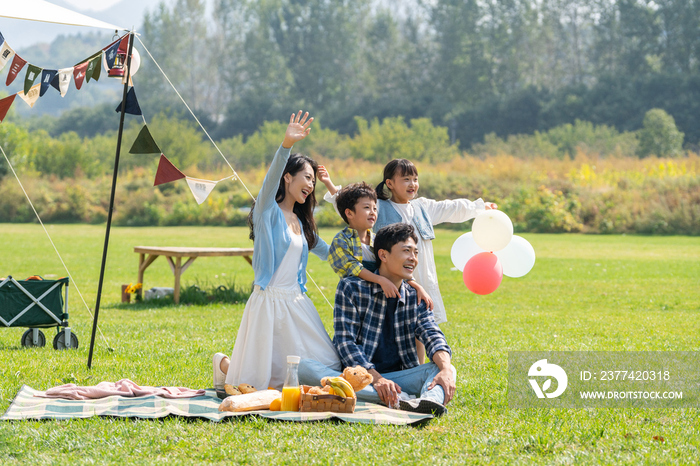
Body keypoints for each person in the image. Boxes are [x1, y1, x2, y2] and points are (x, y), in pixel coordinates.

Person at [213, 111, 341, 393]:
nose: (310, 185)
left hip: (298, 304)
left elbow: (335, 256)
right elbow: (268, 182)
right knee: (260, 384)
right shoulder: (267, 213)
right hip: (269, 304)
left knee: (329, 367)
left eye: (313, 182)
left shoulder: (303, 224)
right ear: (287, 178)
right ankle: (223, 364)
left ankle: (227, 365)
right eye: (306, 178)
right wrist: (286, 145)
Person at [299, 223, 456, 416]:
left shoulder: (416, 296)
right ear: (383, 255)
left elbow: (432, 334)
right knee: (305, 368)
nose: (413, 259)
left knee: (444, 367)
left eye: (415, 252)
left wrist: (446, 369)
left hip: (400, 377)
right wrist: (377, 379)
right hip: (362, 378)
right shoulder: (352, 288)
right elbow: (345, 342)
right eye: (406, 251)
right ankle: (403, 399)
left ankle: (428, 403)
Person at [373, 158, 497, 327]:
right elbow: (354, 206)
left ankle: (422, 354)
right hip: (393, 280)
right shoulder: (379, 207)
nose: (412, 184)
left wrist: (479, 207)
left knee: (424, 325)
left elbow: (451, 207)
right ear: (390, 183)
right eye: (406, 179)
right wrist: (333, 189)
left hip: (423, 276)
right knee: (396, 324)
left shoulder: (423, 207)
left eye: (415, 179)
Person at [327, 182, 433, 306]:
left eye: (375, 208)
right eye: (367, 208)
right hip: (357, 296)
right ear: (349, 213)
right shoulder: (341, 241)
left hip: (382, 293)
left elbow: (394, 264)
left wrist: (416, 286)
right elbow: (353, 268)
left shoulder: (376, 239)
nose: (373, 212)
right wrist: (381, 280)